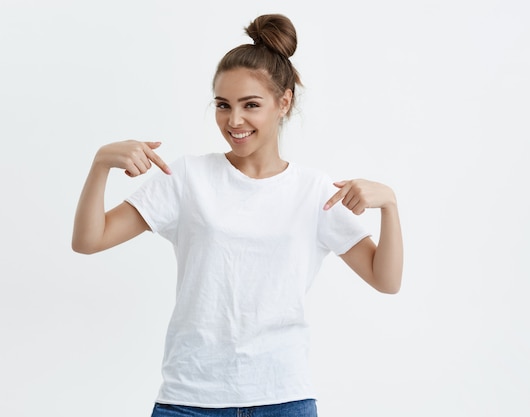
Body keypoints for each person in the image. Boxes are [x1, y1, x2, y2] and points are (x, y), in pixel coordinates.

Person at [72, 13, 403, 417]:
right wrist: (100, 165)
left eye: (251, 105)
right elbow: (89, 240)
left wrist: (390, 206)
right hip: (190, 399)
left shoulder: (314, 191)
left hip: (282, 399)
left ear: (284, 102)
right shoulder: (188, 177)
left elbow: (385, 280)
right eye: (223, 105)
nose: (234, 121)